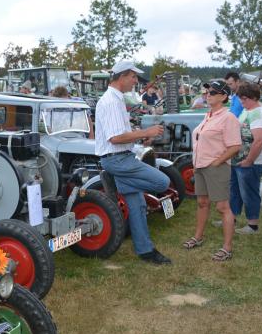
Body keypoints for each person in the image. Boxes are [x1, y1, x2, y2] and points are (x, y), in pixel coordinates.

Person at [96, 61, 171, 265]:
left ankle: (146, 251)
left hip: (121, 157)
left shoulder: (116, 99)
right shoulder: (111, 102)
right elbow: (115, 138)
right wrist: (146, 131)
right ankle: (117, 183)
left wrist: (140, 137)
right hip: (118, 160)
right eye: (133, 76)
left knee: (138, 206)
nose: (136, 80)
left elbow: (120, 135)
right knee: (162, 183)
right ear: (122, 76)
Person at [182, 80, 241, 261]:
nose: (208, 95)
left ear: (223, 96)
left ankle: (227, 248)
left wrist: (217, 162)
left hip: (216, 167)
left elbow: (235, 146)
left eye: (213, 92)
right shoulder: (208, 115)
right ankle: (198, 237)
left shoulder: (228, 117)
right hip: (200, 166)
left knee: (223, 207)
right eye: (207, 92)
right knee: (202, 202)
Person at [230, 82, 262, 234]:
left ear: (254, 97)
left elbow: (259, 140)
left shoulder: (258, 114)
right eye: (240, 98)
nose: (242, 102)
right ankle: (231, 218)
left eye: (244, 99)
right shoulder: (248, 110)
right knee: (235, 190)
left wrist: (249, 161)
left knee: (249, 192)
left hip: (252, 162)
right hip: (239, 160)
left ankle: (252, 225)